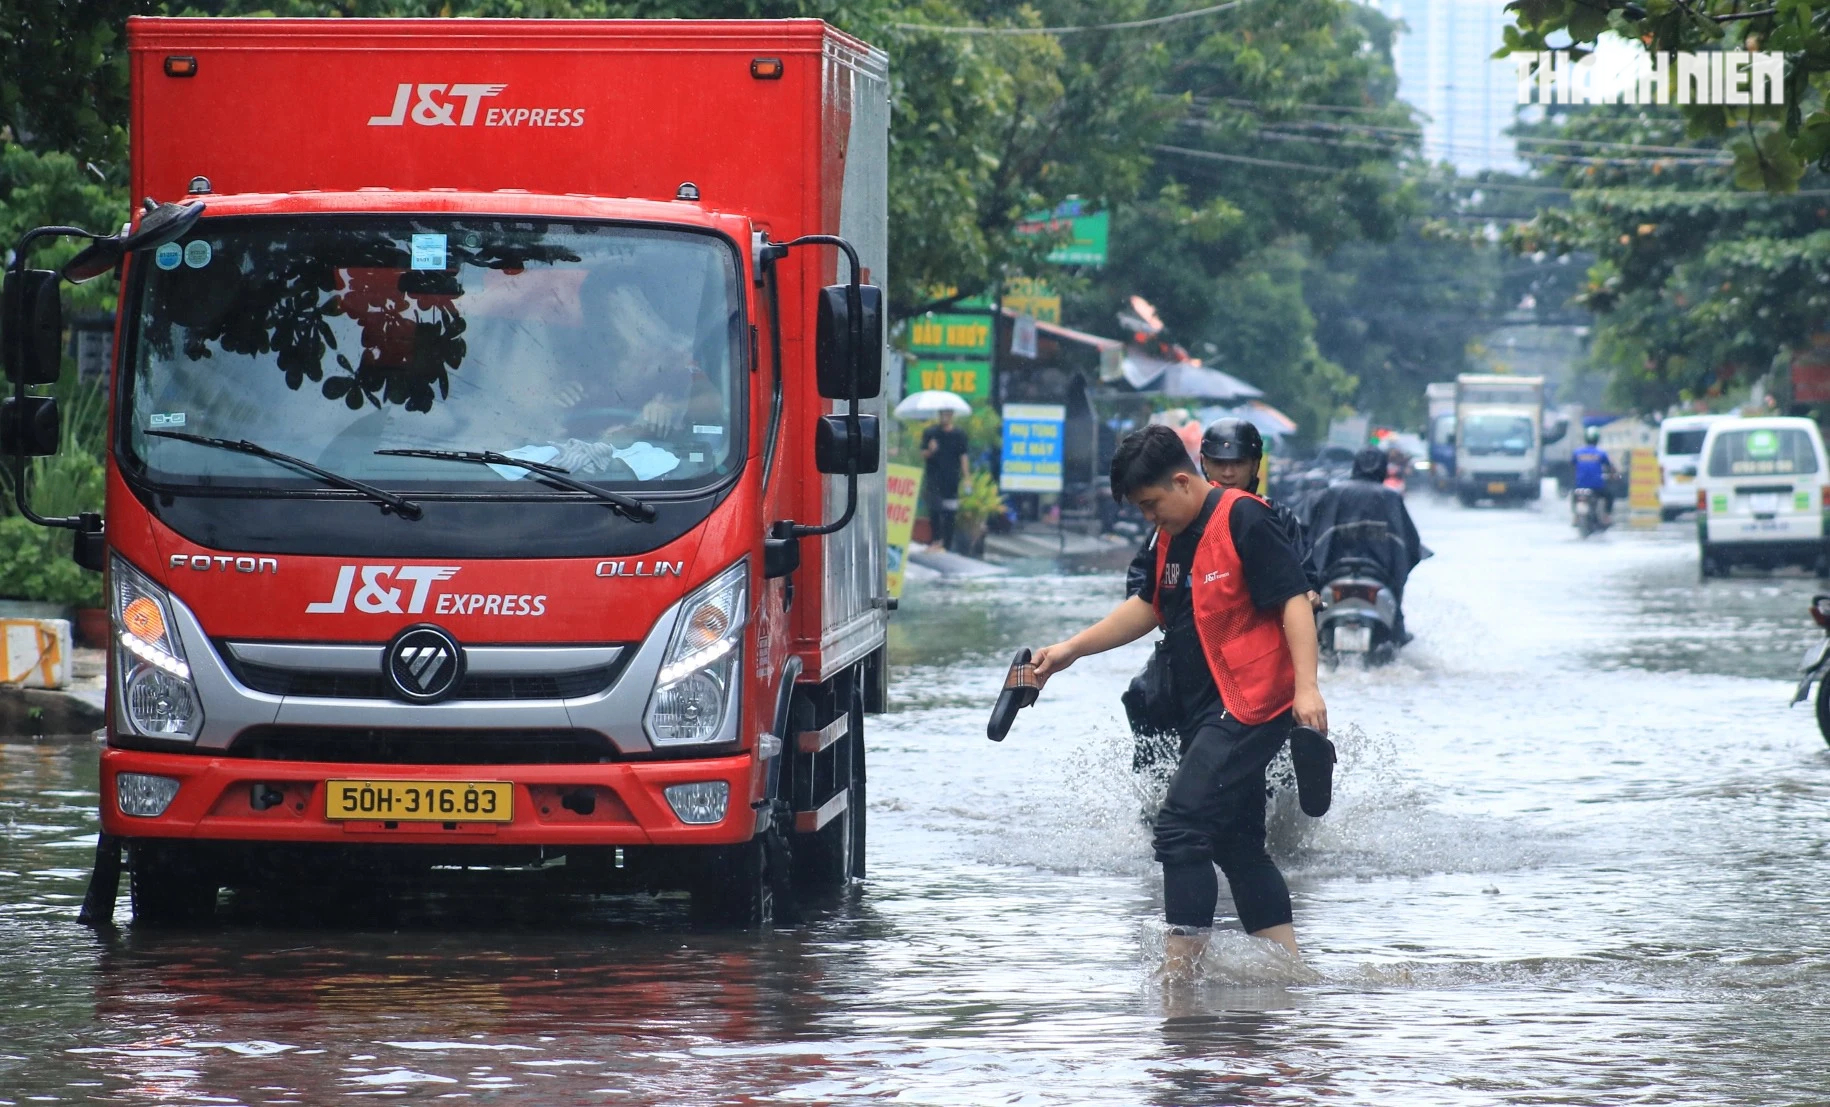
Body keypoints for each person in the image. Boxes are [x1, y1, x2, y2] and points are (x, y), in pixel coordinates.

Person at [1032, 424, 1328, 968]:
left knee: (1179, 825)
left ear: (1181, 481)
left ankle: (1179, 979)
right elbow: (1148, 607)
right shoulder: (1172, 536)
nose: (1150, 518)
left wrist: (1307, 689)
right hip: (1201, 706)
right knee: (1237, 845)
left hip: (1249, 703)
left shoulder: (1245, 518)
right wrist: (1069, 650)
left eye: (1151, 504)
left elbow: (1294, 602)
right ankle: (1291, 975)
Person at [1302, 447, 1430, 643]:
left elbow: (1304, 534)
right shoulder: (1391, 497)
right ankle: (1397, 633)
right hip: (1379, 578)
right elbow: (1410, 546)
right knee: (1396, 629)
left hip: (1331, 577)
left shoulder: (1331, 493)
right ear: (1383, 468)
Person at [921, 409, 970, 551]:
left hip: (952, 479)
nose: (945, 417)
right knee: (934, 510)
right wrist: (930, 450)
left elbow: (963, 456)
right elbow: (923, 453)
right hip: (934, 479)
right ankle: (935, 540)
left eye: (948, 414)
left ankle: (947, 544)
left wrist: (967, 477)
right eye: (943, 414)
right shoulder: (931, 433)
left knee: (950, 513)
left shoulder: (959, 435)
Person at [1571, 426, 1616, 520]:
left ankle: (1575, 516)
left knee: (1573, 495)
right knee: (1609, 495)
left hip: (1580, 485)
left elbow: (1573, 465)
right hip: (1597, 486)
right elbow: (1609, 467)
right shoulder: (1601, 453)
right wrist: (1613, 476)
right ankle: (1606, 516)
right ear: (1597, 439)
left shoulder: (1577, 452)